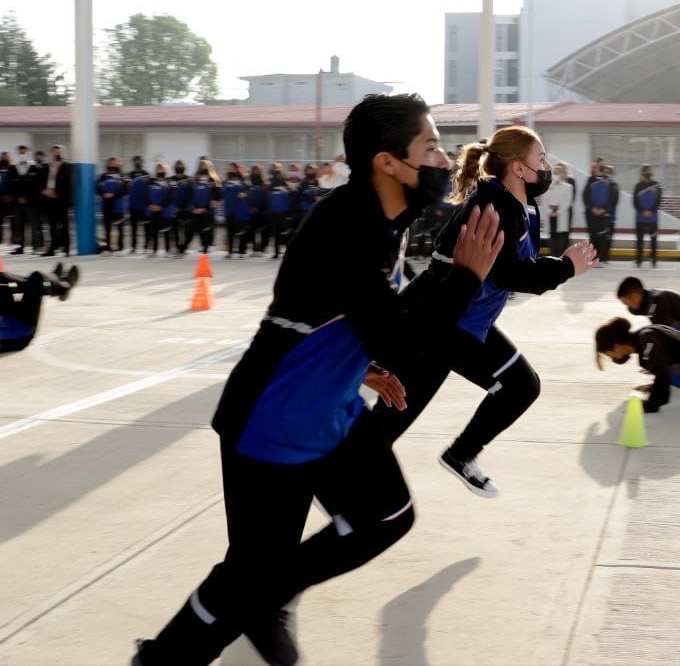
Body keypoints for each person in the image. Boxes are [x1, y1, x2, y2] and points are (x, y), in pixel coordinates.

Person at [133, 94, 503, 666]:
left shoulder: (386, 217)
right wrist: (466, 278)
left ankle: (266, 596)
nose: (443, 159)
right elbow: (398, 337)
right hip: (274, 417)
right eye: (430, 146)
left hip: (328, 408)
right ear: (387, 162)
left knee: (384, 514)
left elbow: (345, 311)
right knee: (246, 576)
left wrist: (361, 364)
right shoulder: (351, 223)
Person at [374, 125, 598, 498]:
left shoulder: (521, 206)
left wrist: (560, 267)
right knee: (390, 418)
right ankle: (339, 485)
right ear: (519, 168)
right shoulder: (491, 206)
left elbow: (516, 267)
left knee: (522, 386)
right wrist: (566, 267)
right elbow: (509, 273)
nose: (547, 167)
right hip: (438, 322)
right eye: (541, 159)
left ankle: (459, 455)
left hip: (466, 324)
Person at [1, 263, 78, 355]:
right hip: (20, 332)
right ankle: (60, 286)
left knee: (7, 281)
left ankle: (51, 282)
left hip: (9, 317)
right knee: (38, 280)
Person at [39, 145, 73, 257]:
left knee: (64, 224)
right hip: (48, 199)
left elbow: (69, 183)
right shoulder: (45, 166)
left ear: (63, 153)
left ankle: (66, 248)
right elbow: (39, 181)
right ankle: (52, 249)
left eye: (59, 152)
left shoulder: (67, 166)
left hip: (61, 199)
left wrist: (56, 191)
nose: (57, 153)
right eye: (54, 151)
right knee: (51, 225)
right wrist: (44, 191)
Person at [184, 159, 222, 255]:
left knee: (206, 231)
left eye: (205, 166)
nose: (203, 168)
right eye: (201, 166)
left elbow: (217, 195)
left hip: (208, 211)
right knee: (192, 230)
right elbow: (189, 196)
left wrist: (208, 206)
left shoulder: (214, 181)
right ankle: (183, 249)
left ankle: (206, 249)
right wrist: (193, 208)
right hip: (195, 210)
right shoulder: (193, 181)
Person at [585, 163, 619, 266]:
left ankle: (601, 258)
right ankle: (593, 258)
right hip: (592, 214)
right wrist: (592, 208)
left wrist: (604, 209)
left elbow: (613, 199)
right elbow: (586, 196)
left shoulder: (611, 184)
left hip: (605, 215)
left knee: (602, 237)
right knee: (594, 237)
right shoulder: (591, 181)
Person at [542, 162, 575, 256]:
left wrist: (558, 211)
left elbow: (568, 201)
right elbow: (544, 199)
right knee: (552, 235)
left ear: (563, 174)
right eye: (555, 172)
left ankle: (560, 256)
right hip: (550, 214)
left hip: (561, 213)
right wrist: (549, 211)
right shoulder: (547, 185)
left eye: (559, 172)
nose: (557, 174)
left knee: (561, 236)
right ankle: (553, 256)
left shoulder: (568, 186)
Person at [144, 164, 177, 257]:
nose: (160, 171)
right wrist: (150, 204)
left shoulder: (171, 183)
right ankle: (154, 250)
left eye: (162, 169)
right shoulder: (151, 183)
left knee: (166, 230)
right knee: (153, 231)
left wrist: (161, 206)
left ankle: (167, 250)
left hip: (165, 210)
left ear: (166, 171)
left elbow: (171, 197)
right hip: (153, 210)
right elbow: (146, 195)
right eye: (158, 169)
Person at [633, 165, 662, 268]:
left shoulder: (657, 185)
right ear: (642, 172)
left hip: (652, 217)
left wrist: (651, 211)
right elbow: (635, 202)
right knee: (639, 239)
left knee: (653, 239)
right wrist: (642, 211)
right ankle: (638, 259)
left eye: (649, 170)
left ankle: (653, 259)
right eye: (645, 170)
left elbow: (658, 201)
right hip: (640, 217)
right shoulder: (637, 186)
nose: (647, 172)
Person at [97, 156, 127, 253]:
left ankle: (120, 247)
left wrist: (113, 194)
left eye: (114, 164)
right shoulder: (103, 176)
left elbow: (125, 190)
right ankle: (108, 247)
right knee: (107, 228)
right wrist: (104, 194)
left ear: (117, 165)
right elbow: (98, 188)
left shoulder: (122, 176)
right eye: (110, 164)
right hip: (106, 205)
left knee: (120, 228)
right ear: (107, 165)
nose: (112, 165)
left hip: (118, 206)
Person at [266, 164, 295, 259]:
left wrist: (289, 212)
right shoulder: (270, 187)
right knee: (276, 233)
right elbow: (268, 199)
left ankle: (286, 251)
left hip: (284, 213)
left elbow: (291, 198)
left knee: (285, 233)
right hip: (274, 213)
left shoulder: (286, 185)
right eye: (276, 175)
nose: (278, 176)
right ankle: (276, 252)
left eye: (279, 174)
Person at [223, 165, 251, 258]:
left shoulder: (243, 182)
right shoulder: (225, 182)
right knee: (230, 231)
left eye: (233, 169)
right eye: (229, 169)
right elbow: (221, 194)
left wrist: (245, 194)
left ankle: (242, 251)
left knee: (241, 231)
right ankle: (230, 252)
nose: (231, 170)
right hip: (229, 210)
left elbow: (249, 192)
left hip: (240, 211)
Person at [126, 156, 150, 255]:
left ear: (141, 162)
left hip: (144, 205)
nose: (137, 162)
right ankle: (133, 247)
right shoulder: (129, 174)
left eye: (139, 161)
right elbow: (126, 188)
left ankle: (146, 246)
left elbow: (149, 189)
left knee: (146, 226)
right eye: (135, 161)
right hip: (133, 205)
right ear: (133, 162)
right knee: (133, 227)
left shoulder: (146, 174)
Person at [246, 166, 269, 256]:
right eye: (254, 172)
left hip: (262, 212)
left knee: (263, 231)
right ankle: (254, 249)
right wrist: (250, 207)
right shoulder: (249, 186)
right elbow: (247, 199)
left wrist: (258, 208)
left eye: (257, 172)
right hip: (251, 213)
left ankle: (262, 249)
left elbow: (266, 199)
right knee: (252, 231)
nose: (255, 174)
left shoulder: (265, 186)